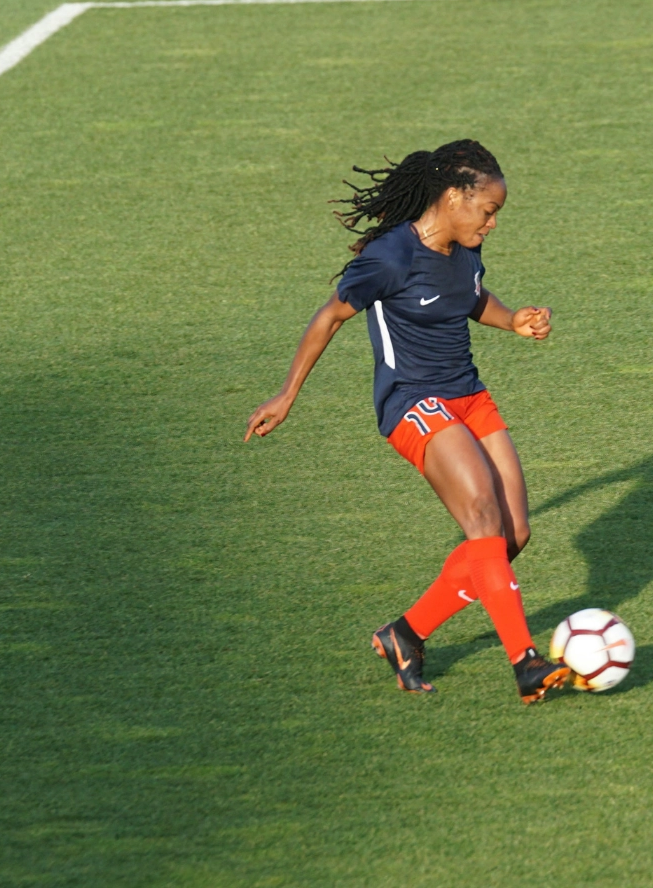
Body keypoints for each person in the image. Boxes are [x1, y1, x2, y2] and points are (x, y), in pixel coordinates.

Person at [246, 139, 574, 703]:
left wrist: (512, 319)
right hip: (412, 403)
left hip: (469, 395)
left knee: (512, 534)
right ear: (453, 196)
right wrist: (286, 394)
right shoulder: (390, 257)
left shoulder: (464, 251)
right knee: (481, 517)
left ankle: (405, 634)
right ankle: (524, 661)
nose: (492, 224)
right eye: (488, 210)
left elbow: (470, 298)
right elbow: (330, 316)